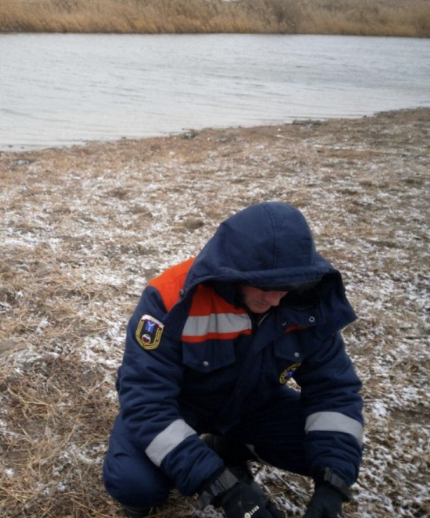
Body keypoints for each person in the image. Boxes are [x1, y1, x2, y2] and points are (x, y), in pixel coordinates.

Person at [103, 202, 363, 518]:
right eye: (265, 285)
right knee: (135, 483)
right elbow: (146, 403)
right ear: (233, 269)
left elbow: (334, 392)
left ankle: (229, 446)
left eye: (287, 286)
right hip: (180, 407)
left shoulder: (308, 299)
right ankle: (208, 456)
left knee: (329, 451)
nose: (276, 299)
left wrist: (331, 488)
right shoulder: (169, 298)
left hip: (256, 404)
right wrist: (222, 487)